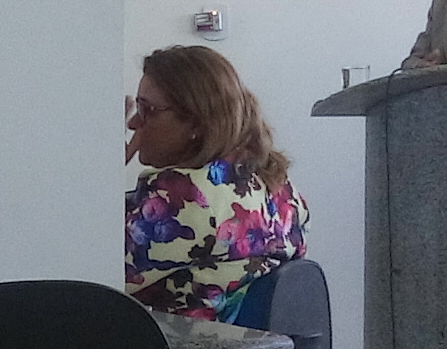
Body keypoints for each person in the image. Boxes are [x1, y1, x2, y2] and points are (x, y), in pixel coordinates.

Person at [125, 44, 309, 323]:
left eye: (147, 109)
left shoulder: (184, 198)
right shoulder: (281, 189)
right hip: (240, 347)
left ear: (195, 123)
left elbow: (82, 269)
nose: (134, 123)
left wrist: (98, 171)